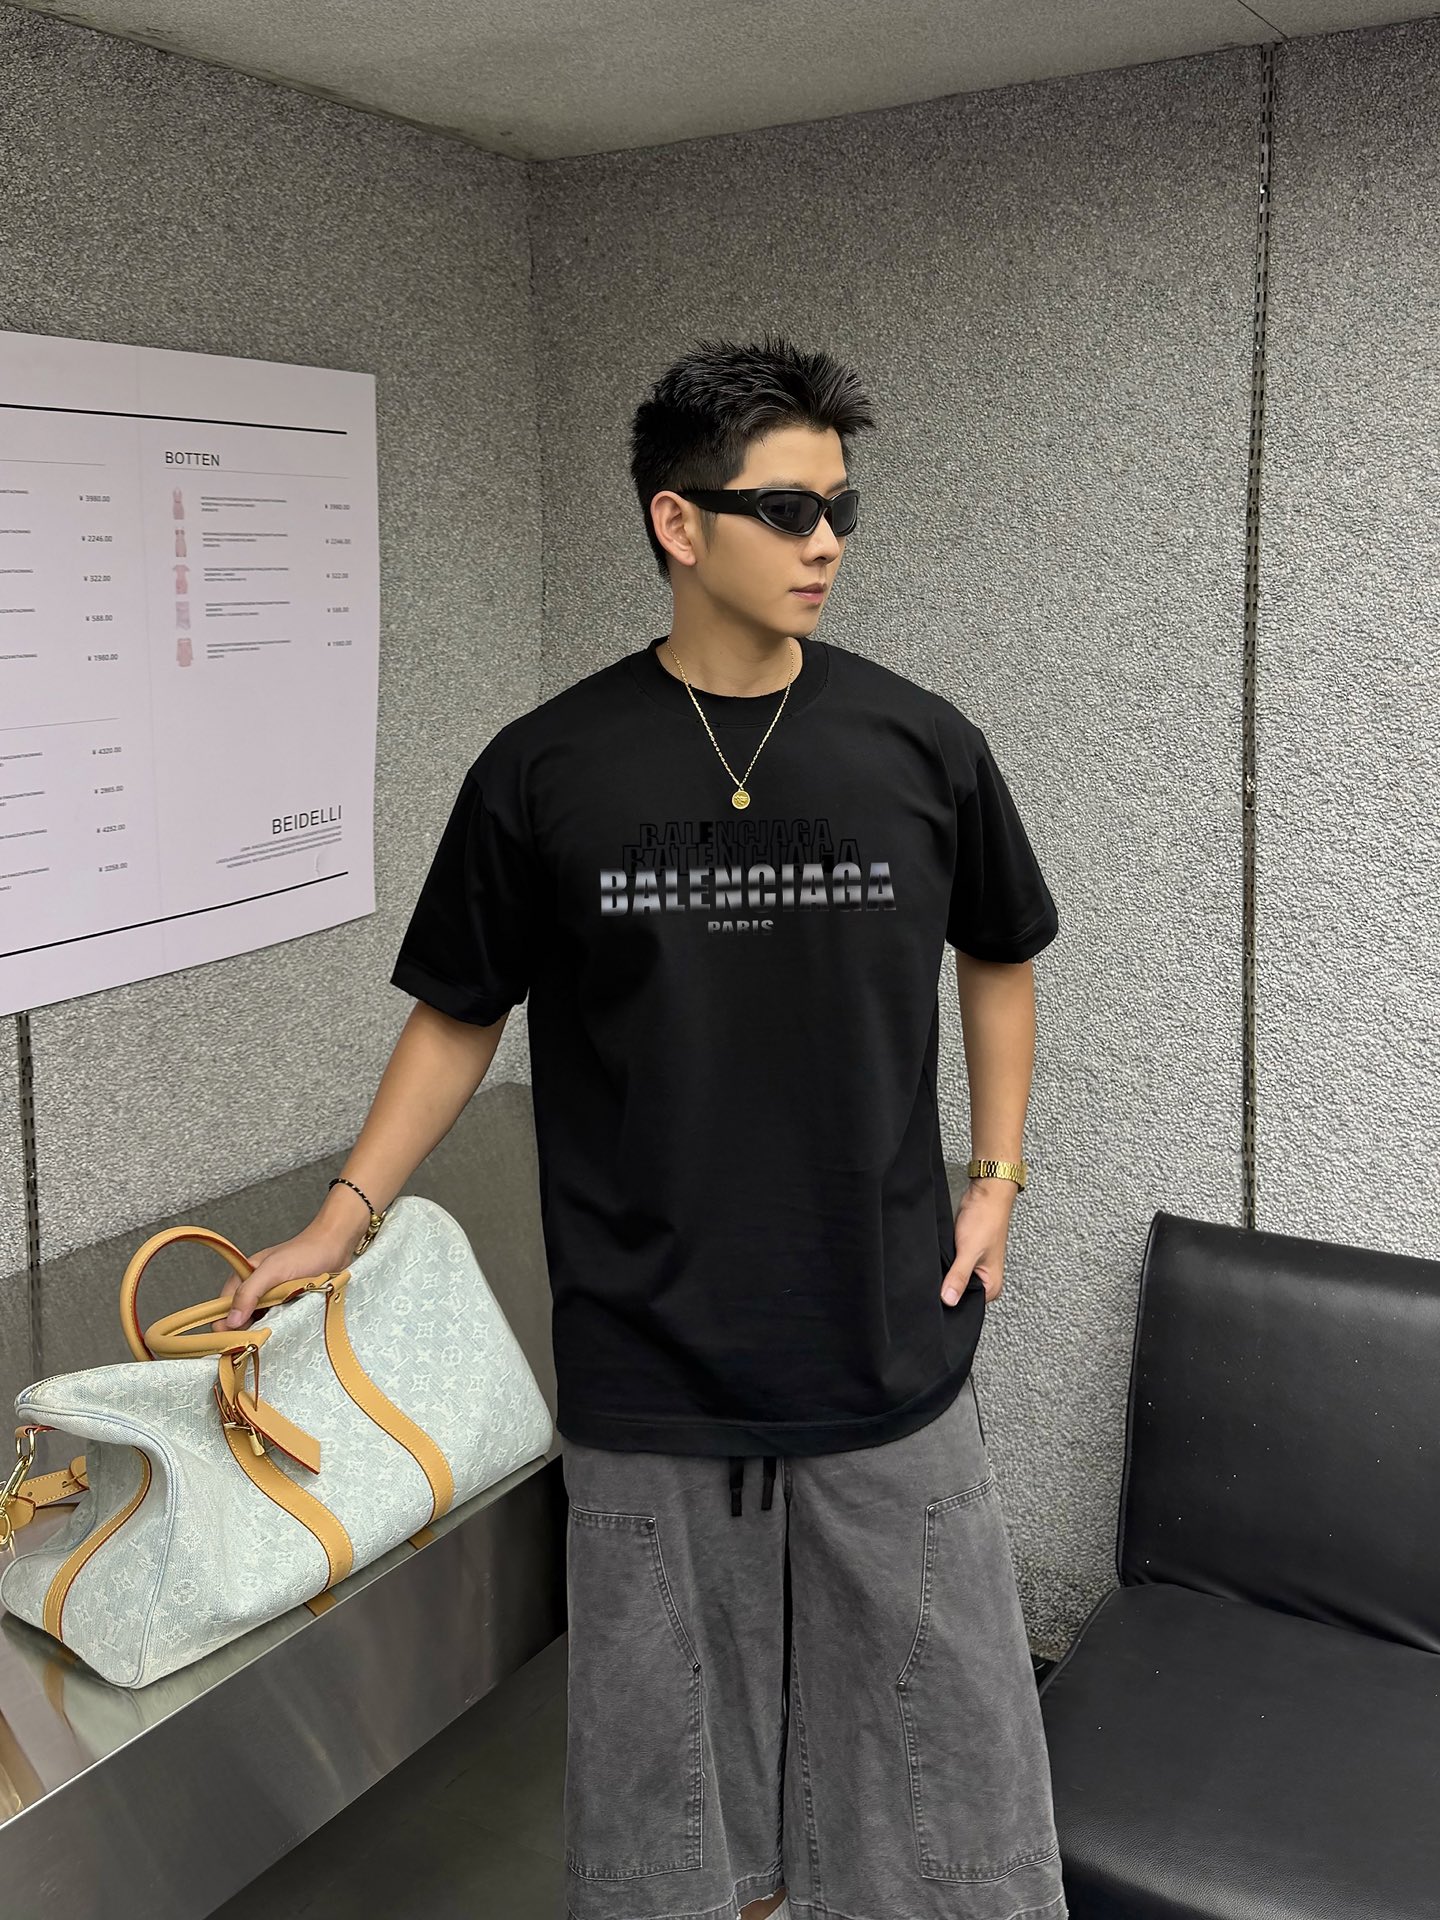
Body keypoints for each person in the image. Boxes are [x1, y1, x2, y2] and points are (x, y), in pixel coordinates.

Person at [214, 333, 1068, 1920]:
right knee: (670, 1784)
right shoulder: (547, 769)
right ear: (680, 523)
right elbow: (459, 1011)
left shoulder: (922, 746)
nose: (827, 543)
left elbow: (1002, 952)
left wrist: (998, 1178)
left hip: (884, 1326)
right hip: (648, 1343)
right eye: (788, 509)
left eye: (841, 508)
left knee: (937, 1760)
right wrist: (343, 1215)